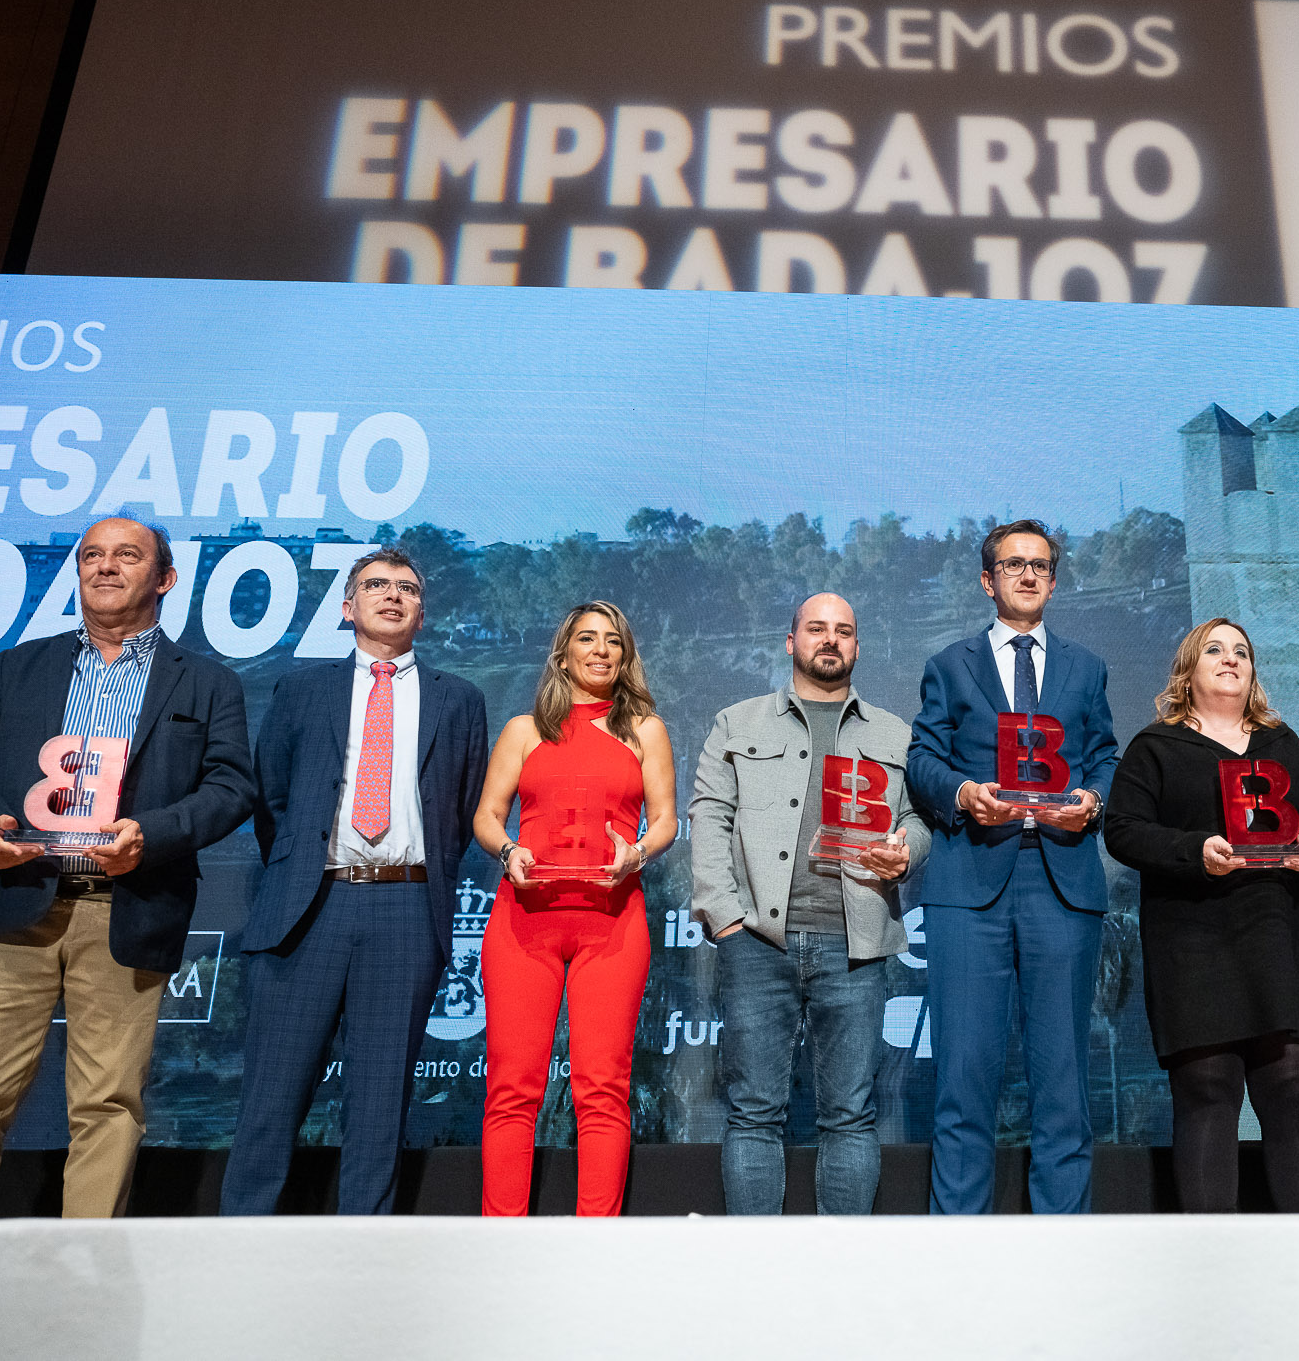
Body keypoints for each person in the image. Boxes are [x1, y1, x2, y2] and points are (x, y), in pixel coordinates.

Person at [0, 516, 252, 1219]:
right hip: (15, 897)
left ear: (163, 578)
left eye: (126, 556)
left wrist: (149, 835)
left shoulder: (209, 684)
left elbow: (230, 788)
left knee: (109, 1106)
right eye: (91, 556)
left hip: (127, 907)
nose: (104, 567)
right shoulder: (20, 665)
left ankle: (81, 1289)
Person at [220, 547, 489, 1216]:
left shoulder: (460, 699)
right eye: (376, 585)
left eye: (407, 587)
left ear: (422, 612)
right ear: (347, 607)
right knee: (271, 1098)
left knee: (378, 1105)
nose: (392, 596)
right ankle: (235, 1250)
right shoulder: (301, 688)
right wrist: (305, 870)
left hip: (405, 907)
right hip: (308, 905)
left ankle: (361, 1257)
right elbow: (272, 799)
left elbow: (460, 813)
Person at [690, 592, 931, 1214]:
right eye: (816, 629)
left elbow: (915, 819)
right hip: (757, 943)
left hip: (856, 944)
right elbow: (709, 817)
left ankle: (838, 1273)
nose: (830, 640)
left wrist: (909, 852)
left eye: (844, 631)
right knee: (753, 1115)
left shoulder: (893, 733)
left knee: (851, 1116)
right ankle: (758, 1270)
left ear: (857, 645)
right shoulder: (736, 723)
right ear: (789, 641)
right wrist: (726, 917)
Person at [907, 519, 1119, 1214]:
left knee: (1062, 1077)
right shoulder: (948, 664)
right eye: (1011, 564)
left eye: (1038, 566)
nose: (1026, 575)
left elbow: (1104, 756)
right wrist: (962, 793)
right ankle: (959, 1248)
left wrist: (1090, 797)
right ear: (987, 579)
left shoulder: (1085, 668)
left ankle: (1063, 1244)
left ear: (1053, 581)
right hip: (970, 884)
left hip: (1060, 880)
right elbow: (921, 761)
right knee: (964, 1074)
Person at [1103, 618, 1299, 1213]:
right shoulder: (1155, 746)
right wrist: (1195, 852)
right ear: (1189, 668)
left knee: (1292, 1086)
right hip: (1194, 939)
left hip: (1279, 936)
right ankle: (1210, 1267)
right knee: (1208, 1088)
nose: (1231, 659)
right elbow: (1123, 830)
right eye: (1215, 649)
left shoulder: (1279, 742)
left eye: (1242, 651)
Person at [472, 601, 676, 1216]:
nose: (599, 650)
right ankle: (500, 1239)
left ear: (625, 656)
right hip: (523, 921)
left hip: (612, 923)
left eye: (612, 641)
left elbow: (665, 819)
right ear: (563, 652)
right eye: (586, 639)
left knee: (603, 1089)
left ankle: (596, 1246)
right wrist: (507, 850)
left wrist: (636, 852)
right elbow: (487, 815)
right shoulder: (523, 730)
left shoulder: (646, 730)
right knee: (512, 1089)